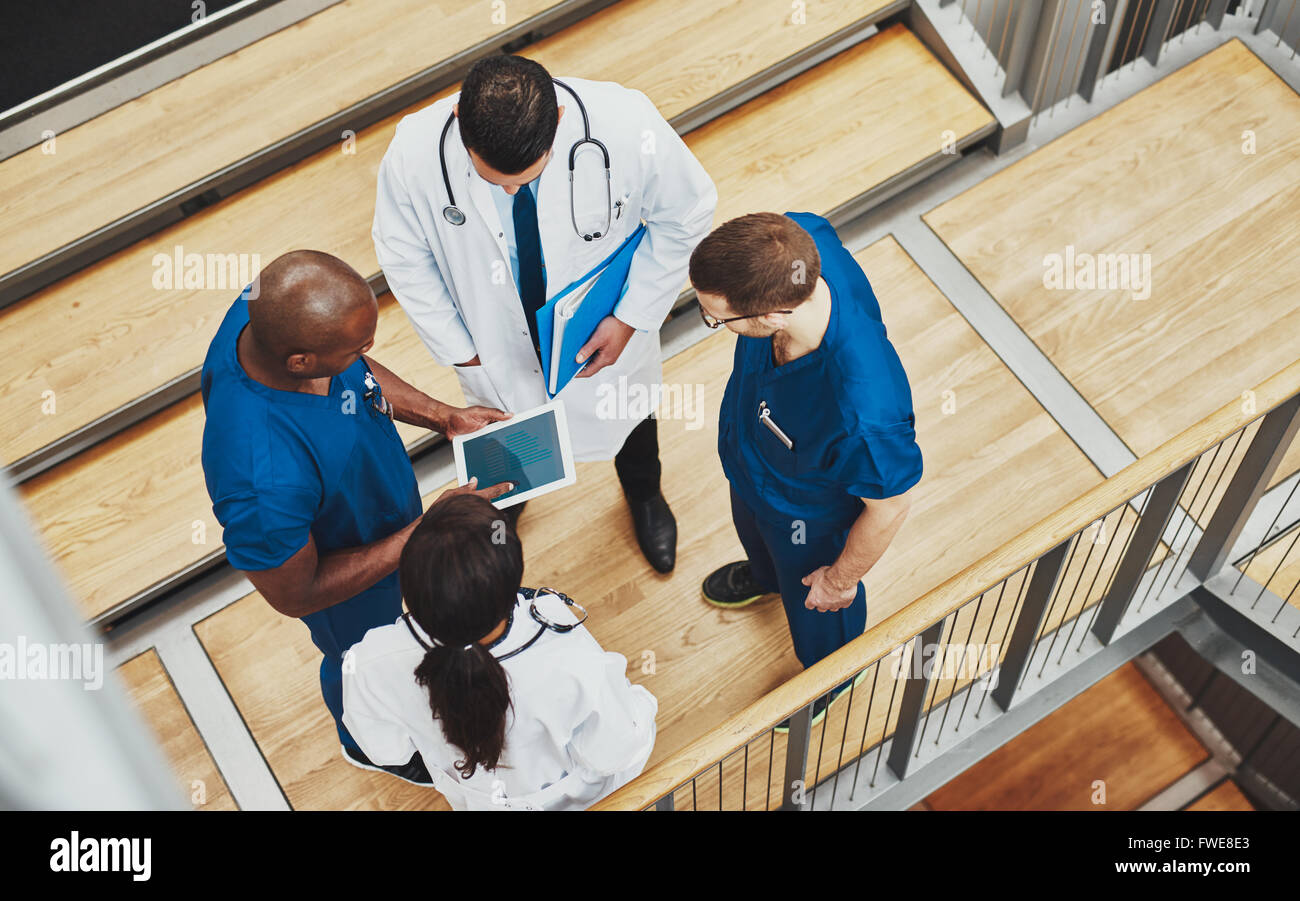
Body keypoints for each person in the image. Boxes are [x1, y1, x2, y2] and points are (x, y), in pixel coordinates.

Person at [372, 54, 717, 573]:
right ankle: (506, 509)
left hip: (605, 334)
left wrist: (631, 315)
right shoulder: (414, 151)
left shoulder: (625, 121)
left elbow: (687, 216)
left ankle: (645, 496)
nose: (511, 191)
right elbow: (402, 256)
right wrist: (461, 352)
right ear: (461, 125)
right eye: (494, 181)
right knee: (506, 439)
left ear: (556, 120)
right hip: (492, 345)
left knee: (632, 420)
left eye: (524, 178)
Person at [199, 250, 512, 784]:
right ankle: (366, 746)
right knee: (362, 660)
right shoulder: (259, 475)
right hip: (347, 583)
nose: (367, 354)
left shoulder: (264, 306)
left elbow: (358, 378)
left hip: (386, 515)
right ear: (300, 361)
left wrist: (445, 417)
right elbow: (295, 593)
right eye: (356, 347)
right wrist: (426, 532)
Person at [690, 212, 923, 728]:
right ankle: (767, 576)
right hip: (752, 469)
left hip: (809, 518)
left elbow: (891, 506)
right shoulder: (795, 236)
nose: (710, 324)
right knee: (757, 540)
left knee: (817, 611)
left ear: (773, 316)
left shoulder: (865, 409)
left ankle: (834, 672)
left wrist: (841, 580)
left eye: (715, 319)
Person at [342, 493, 657, 810]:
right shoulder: (563, 648)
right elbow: (616, 747)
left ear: (409, 588)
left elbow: (385, 750)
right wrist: (643, 704)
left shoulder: (372, 659)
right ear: (514, 582)